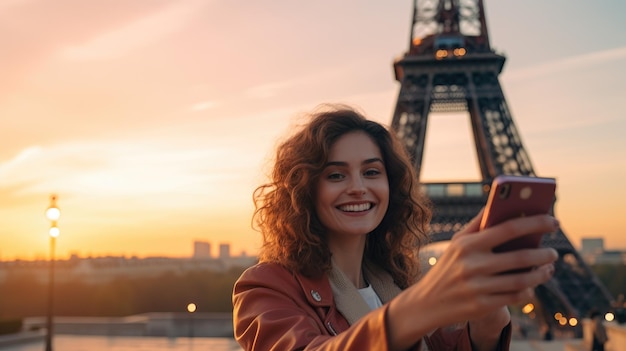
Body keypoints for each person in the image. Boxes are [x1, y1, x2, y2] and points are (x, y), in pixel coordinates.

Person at [232, 104, 559, 351]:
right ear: (306, 190)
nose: (358, 187)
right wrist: (418, 308)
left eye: (372, 172)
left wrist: (488, 307)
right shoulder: (265, 288)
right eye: (336, 175)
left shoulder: (395, 283)